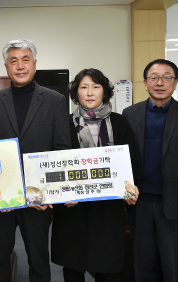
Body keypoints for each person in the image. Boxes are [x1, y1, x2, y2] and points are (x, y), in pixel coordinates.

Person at [0, 38, 71, 282]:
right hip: (2, 199)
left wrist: (46, 192)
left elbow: (61, 150)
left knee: (39, 260)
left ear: (35, 64)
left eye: (25, 60)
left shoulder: (55, 100)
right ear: (6, 67)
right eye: (13, 61)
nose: (20, 66)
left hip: (38, 199)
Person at [51, 69, 139, 282]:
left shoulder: (119, 123)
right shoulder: (62, 121)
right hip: (73, 211)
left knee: (108, 270)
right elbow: (54, 162)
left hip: (108, 211)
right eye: (84, 87)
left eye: (96, 86)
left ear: (104, 92)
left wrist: (129, 187)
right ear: (76, 92)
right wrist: (62, 194)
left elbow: (132, 162)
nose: (90, 92)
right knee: (73, 269)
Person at [122, 59, 178, 282]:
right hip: (138, 204)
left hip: (174, 204)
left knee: (173, 267)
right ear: (145, 82)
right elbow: (123, 159)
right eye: (154, 78)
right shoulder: (130, 114)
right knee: (142, 266)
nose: (160, 82)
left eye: (167, 77)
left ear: (175, 82)